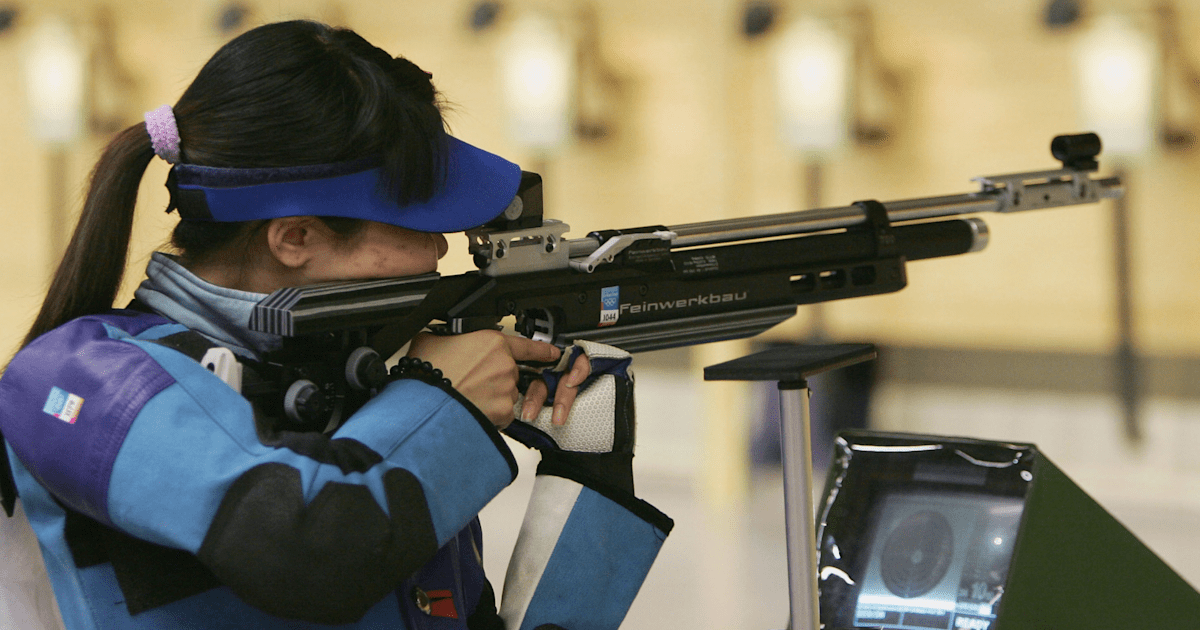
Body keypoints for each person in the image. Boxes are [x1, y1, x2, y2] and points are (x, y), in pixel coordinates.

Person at [0, 20, 671, 630]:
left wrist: (589, 464)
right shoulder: (76, 380)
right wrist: (438, 399)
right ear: (295, 237)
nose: (440, 251)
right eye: (419, 224)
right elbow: (312, 551)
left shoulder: (370, 386)